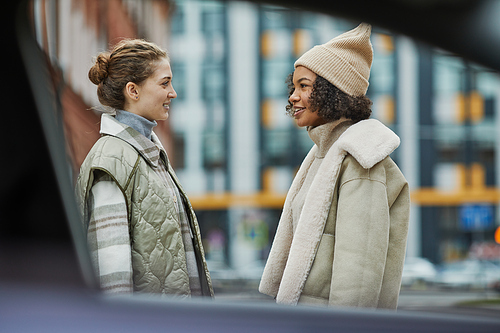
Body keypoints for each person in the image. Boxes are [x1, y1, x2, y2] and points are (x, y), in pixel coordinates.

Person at [259, 23, 410, 309]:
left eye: (304, 86)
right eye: (293, 86)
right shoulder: (324, 155)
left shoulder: (360, 159)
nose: (292, 96)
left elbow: (359, 275)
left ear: (334, 91)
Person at [75, 39, 213, 298]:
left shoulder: (148, 152)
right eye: (164, 83)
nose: (173, 92)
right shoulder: (112, 159)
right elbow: (112, 277)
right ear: (133, 90)